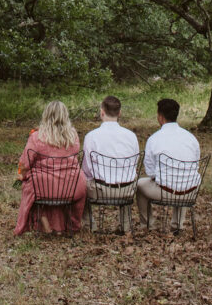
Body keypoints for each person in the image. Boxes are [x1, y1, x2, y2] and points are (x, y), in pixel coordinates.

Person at [14, 100, 87, 235]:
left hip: (44, 187)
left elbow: (25, 162)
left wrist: (21, 175)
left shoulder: (37, 136)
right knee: (58, 184)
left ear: (46, 116)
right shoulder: (73, 136)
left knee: (31, 184)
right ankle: (66, 225)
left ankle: (44, 221)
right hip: (71, 186)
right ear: (66, 116)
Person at [136, 97, 200, 232]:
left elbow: (151, 172)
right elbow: (196, 164)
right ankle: (177, 225)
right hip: (190, 191)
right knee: (183, 179)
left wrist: (161, 176)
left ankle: (148, 225)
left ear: (160, 116)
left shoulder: (154, 139)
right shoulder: (191, 138)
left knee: (140, 184)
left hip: (166, 192)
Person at [82, 95, 140, 233]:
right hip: (126, 190)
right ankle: (125, 225)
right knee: (129, 177)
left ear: (102, 112)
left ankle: (90, 225)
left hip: (100, 191)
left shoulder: (91, 136)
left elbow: (87, 168)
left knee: (80, 182)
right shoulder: (131, 136)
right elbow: (134, 162)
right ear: (119, 113)